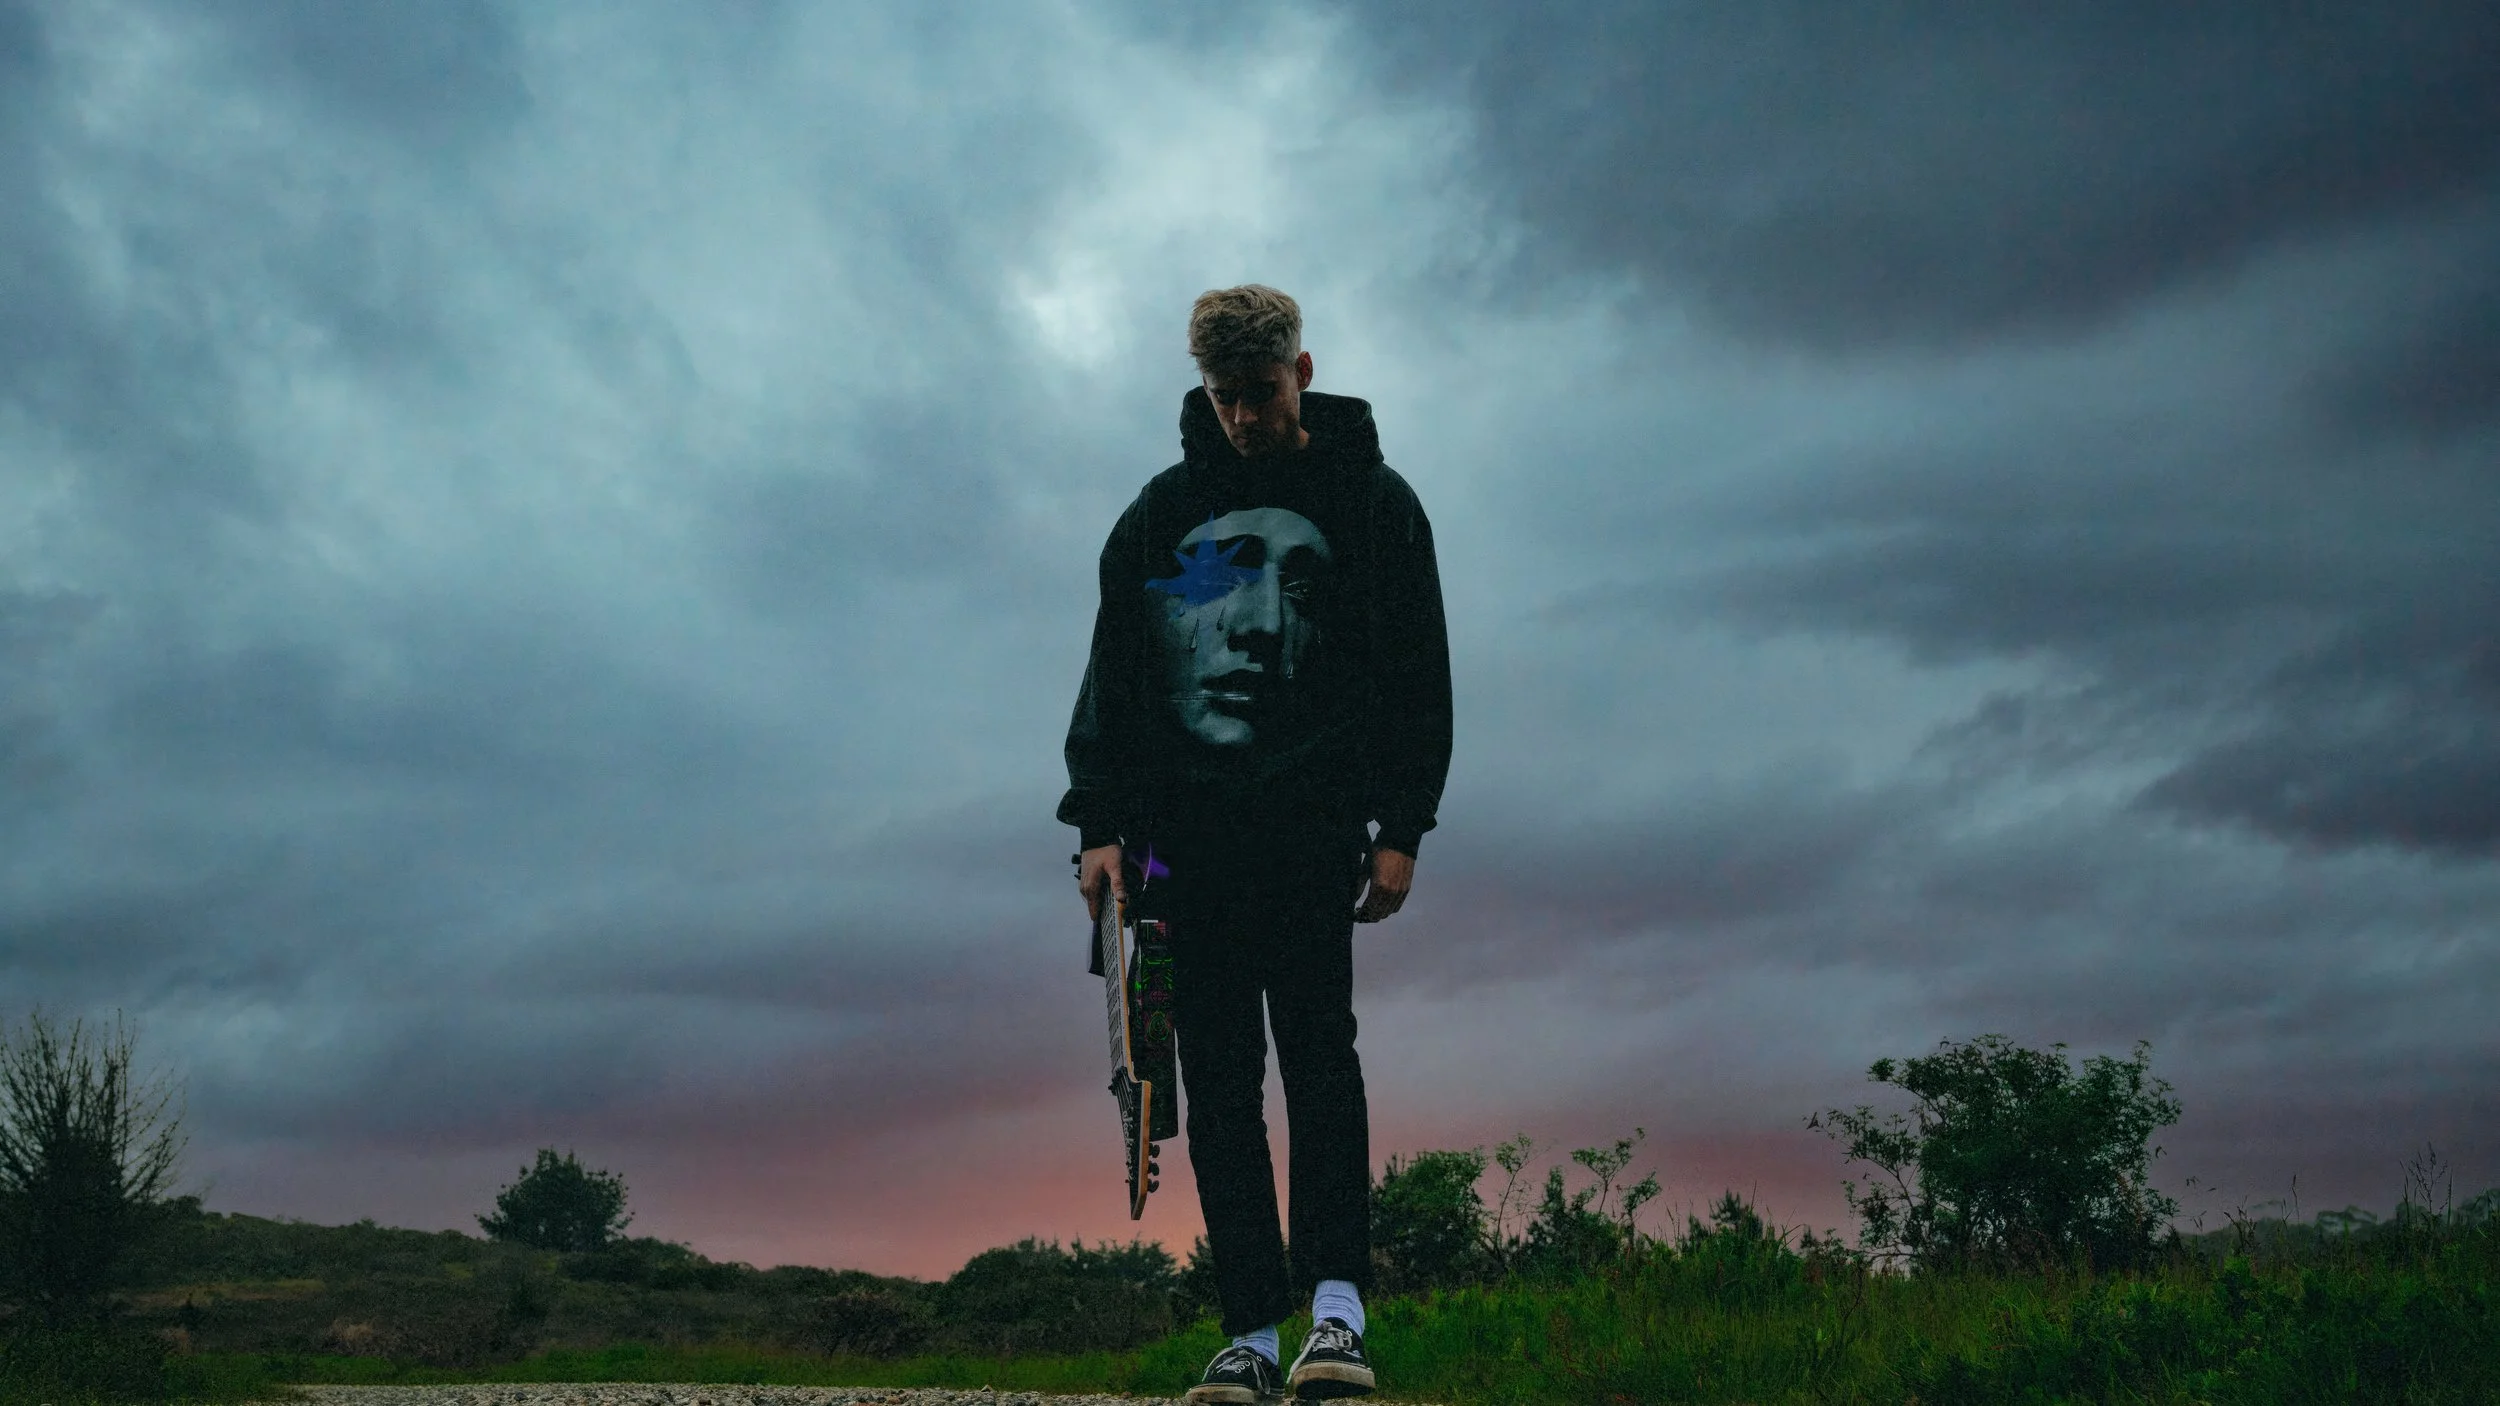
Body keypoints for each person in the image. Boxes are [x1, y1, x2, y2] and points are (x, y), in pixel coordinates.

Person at [1058, 285, 1453, 1402]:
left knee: (1319, 1058)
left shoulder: (1371, 503)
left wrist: (1402, 822)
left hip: (1313, 825)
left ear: (1304, 370)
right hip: (1184, 838)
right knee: (1218, 1083)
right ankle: (1250, 1333)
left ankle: (1338, 1312)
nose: (1240, 416)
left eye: (1259, 391)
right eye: (1222, 396)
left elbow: (1416, 667)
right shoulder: (1163, 508)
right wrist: (1098, 821)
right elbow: (1118, 671)